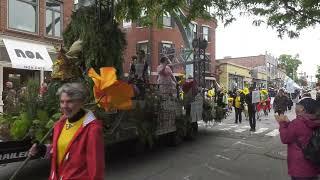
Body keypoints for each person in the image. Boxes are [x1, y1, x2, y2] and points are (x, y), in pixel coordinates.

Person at [29, 83, 105, 180]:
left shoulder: (92, 129)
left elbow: (96, 168)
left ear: (81, 102)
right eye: (62, 102)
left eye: (69, 102)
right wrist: (42, 150)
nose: (64, 106)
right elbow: (63, 150)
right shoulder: (60, 124)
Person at [276, 97, 320, 180]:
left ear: (302, 109)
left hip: (300, 168)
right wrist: (289, 123)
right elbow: (299, 133)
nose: (295, 108)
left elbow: (285, 138)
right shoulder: (315, 120)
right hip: (314, 165)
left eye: (297, 106)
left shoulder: (297, 123)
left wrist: (282, 123)